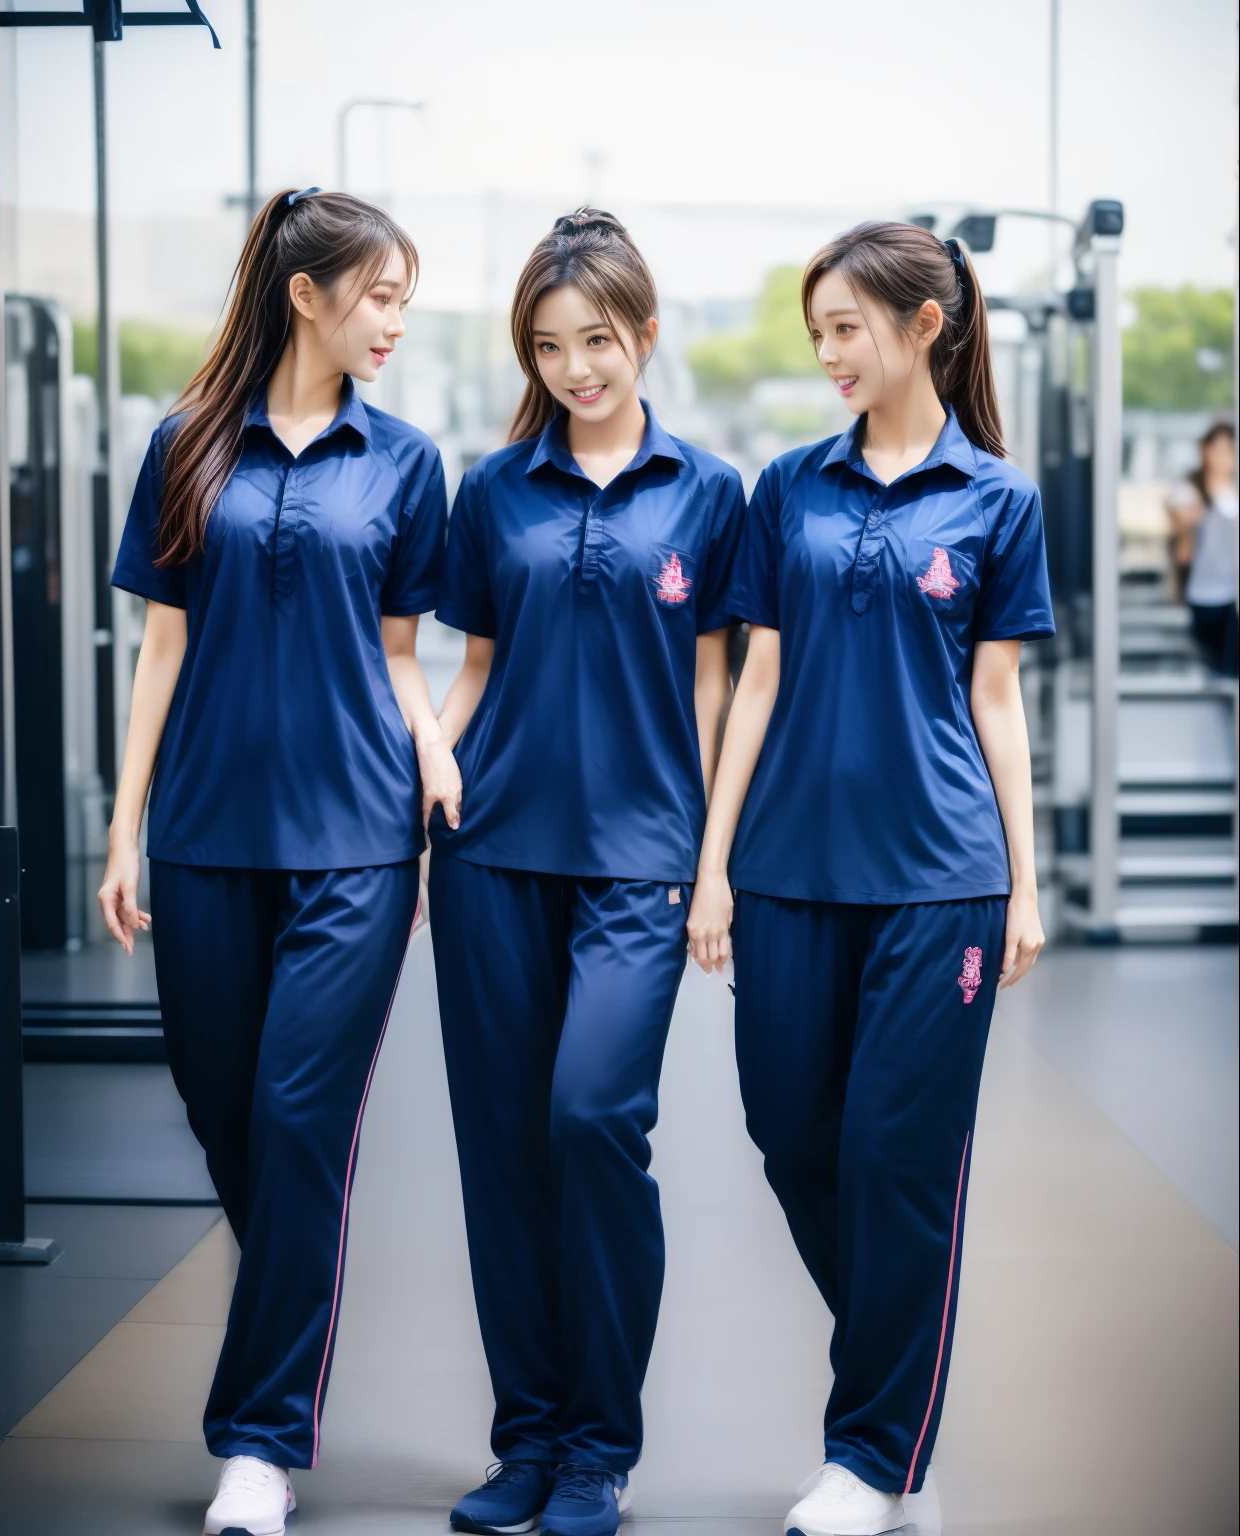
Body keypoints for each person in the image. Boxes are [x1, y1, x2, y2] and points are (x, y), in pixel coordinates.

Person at [97, 189, 458, 1536]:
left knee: (305, 1125)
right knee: (227, 1115)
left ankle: (259, 1444)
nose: (395, 322)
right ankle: (291, 1312)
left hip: (359, 838)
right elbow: (164, 649)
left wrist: (433, 752)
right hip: (201, 832)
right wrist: (123, 827)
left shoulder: (409, 464)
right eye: (378, 295)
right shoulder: (184, 446)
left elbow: (400, 651)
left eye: (403, 299)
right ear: (307, 295)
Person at [686, 222, 1054, 1536]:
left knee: (897, 1161)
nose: (830, 352)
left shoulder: (998, 501)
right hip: (786, 873)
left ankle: (872, 1454)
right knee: (794, 1140)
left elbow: (997, 702)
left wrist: (1025, 881)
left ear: (924, 326)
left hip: (938, 878)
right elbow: (756, 680)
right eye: (819, 331)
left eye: (847, 326)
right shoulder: (788, 487)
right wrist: (714, 862)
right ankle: (903, 1394)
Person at [428, 208, 745, 1536]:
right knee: (503, 1152)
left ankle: (601, 1447)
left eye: (598, 342)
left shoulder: (711, 494)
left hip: (643, 864)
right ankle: (530, 1441)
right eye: (551, 347)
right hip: (492, 851)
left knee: (591, 1122)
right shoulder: (493, 489)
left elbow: (725, 693)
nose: (576, 369)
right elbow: (473, 668)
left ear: (645, 334)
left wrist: (713, 865)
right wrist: (426, 767)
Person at [1167, 421, 1237, 675]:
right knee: (1216, 667)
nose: (1223, 458)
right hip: (1206, 594)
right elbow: (1179, 521)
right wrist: (1210, 496)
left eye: (1228, 450)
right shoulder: (1191, 492)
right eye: (1216, 449)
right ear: (1205, 451)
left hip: (1232, 594)